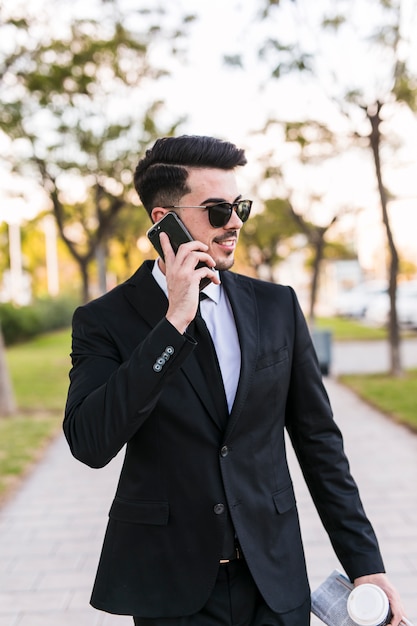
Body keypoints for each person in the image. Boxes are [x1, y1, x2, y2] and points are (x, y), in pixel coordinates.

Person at [64, 135, 406, 626]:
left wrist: (365, 566)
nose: (235, 222)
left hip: (274, 579)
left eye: (239, 205)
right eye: (218, 208)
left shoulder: (277, 306)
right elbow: (89, 442)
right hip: (171, 588)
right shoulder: (104, 320)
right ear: (165, 222)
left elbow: (318, 442)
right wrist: (173, 323)